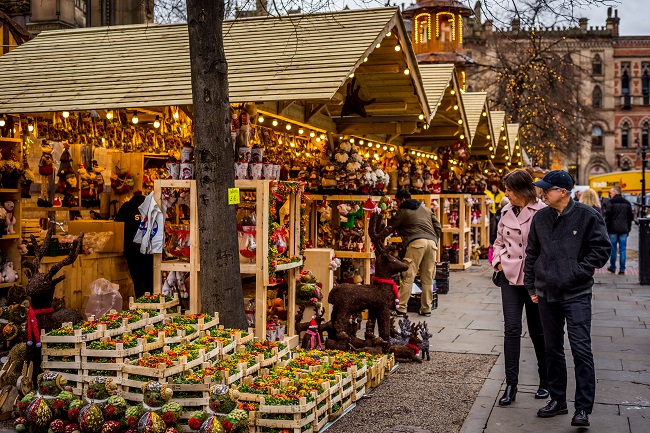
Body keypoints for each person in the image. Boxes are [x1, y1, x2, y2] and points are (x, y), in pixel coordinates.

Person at [524, 170, 610, 427]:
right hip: (547, 293)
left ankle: (582, 408)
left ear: (563, 191)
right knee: (552, 349)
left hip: (577, 293)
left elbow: (601, 250)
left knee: (581, 349)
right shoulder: (540, 218)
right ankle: (558, 400)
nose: (542, 193)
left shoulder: (587, 215)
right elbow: (532, 254)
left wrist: (577, 272)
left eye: (546, 189)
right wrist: (531, 287)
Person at [492, 170, 548, 406]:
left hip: (533, 281)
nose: (506, 193)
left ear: (523, 189)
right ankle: (511, 385)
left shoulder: (542, 212)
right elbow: (498, 242)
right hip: (509, 278)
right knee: (512, 330)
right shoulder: (505, 211)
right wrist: (498, 262)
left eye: (510, 190)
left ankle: (545, 381)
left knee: (538, 332)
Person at [389, 190, 442, 317]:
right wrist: (434, 240)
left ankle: (401, 308)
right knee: (428, 278)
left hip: (416, 243)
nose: (396, 204)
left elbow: (391, 226)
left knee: (409, 276)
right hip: (432, 243)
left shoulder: (403, 211)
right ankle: (426, 308)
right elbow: (438, 227)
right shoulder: (427, 209)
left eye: (396, 201)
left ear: (402, 200)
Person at [115, 192, 154, 298]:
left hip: (133, 250)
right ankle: (152, 304)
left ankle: (141, 303)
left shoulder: (127, 207)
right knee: (150, 278)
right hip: (150, 249)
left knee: (138, 279)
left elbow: (117, 225)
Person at [604, 186, 634, 275]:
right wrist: (628, 228)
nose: (610, 194)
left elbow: (608, 217)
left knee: (613, 249)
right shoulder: (627, 203)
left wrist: (607, 228)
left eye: (611, 192)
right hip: (624, 229)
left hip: (613, 229)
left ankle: (613, 267)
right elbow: (630, 218)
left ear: (616, 192)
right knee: (623, 249)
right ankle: (622, 269)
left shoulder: (611, 202)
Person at [485, 184, 506, 263]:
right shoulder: (489, 193)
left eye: (494, 188)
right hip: (492, 212)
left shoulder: (501, 194)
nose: (493, 189)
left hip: (496, 211)